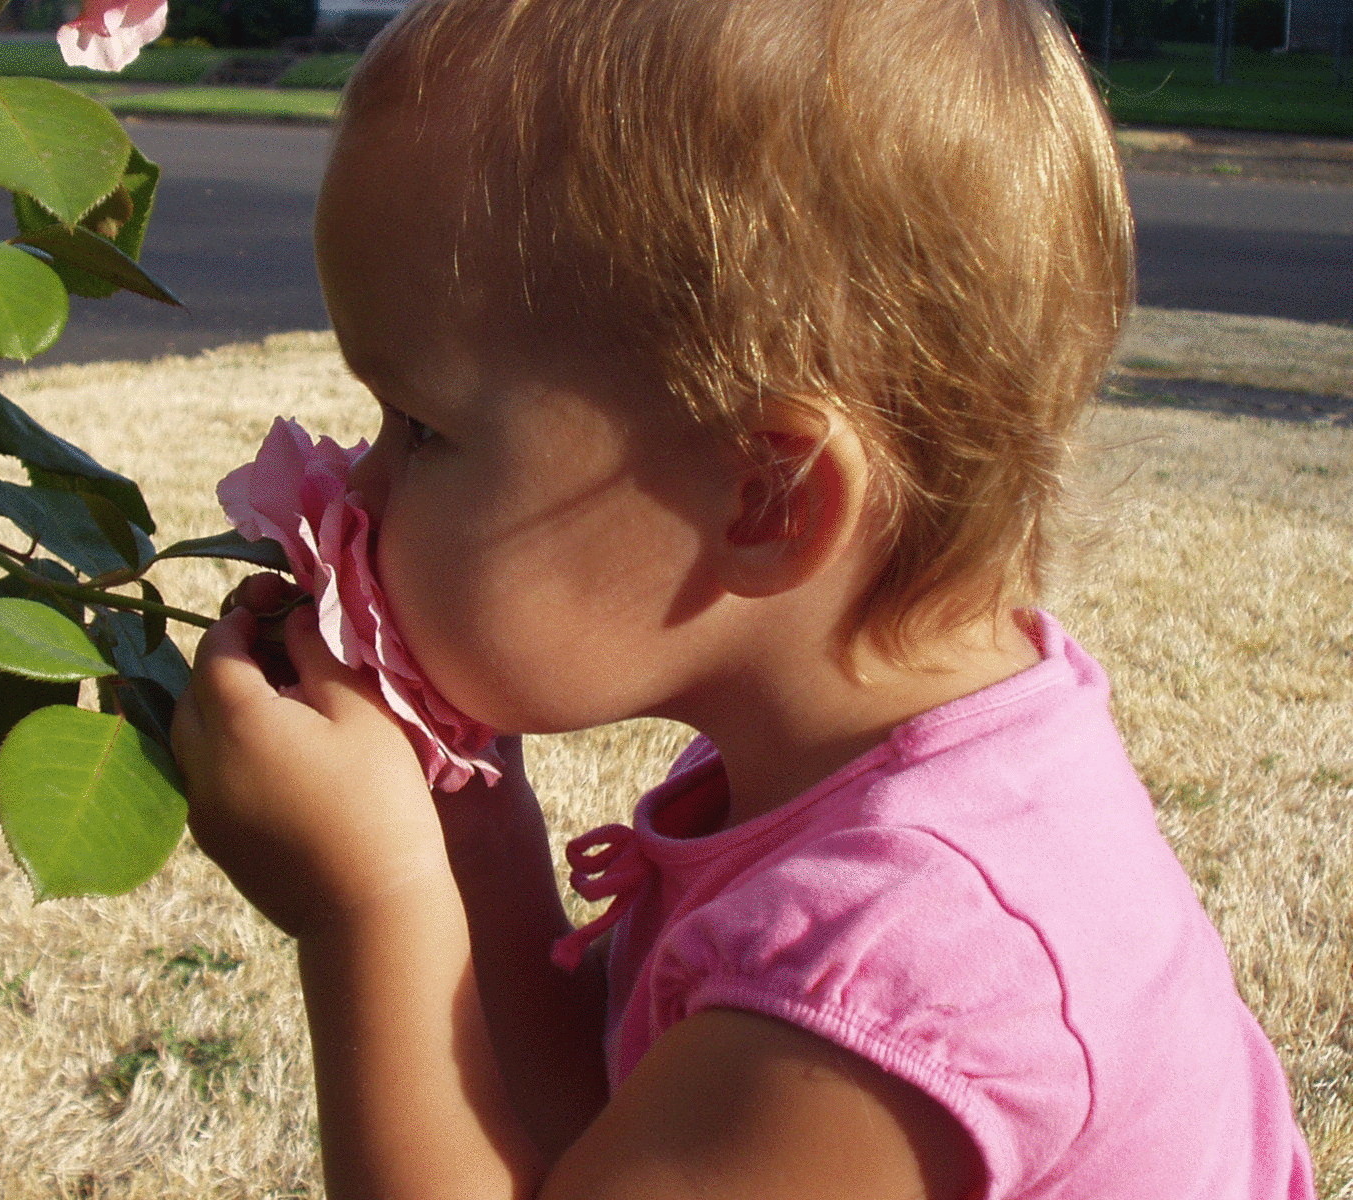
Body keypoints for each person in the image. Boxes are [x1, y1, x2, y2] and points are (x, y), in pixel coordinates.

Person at [170, 0, 1316, 1195]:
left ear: (768, 502)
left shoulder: (894, 989)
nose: (362, 483)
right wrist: (474, 832)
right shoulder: (848, 776)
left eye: (421, 428)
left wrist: (369, 908)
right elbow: (597, 1132)